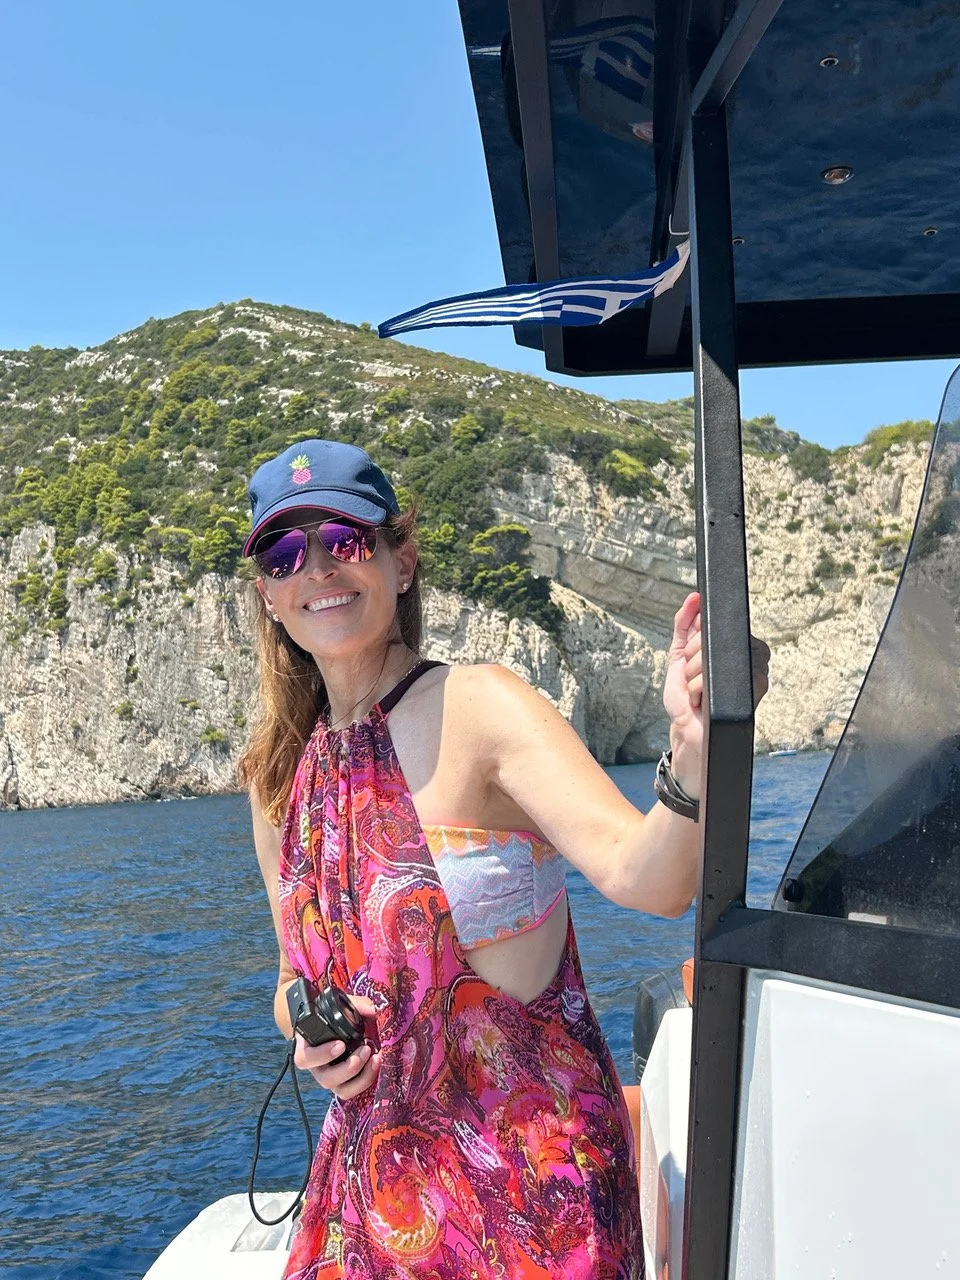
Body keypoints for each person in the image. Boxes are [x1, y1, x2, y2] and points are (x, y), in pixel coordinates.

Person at [238, 438, 769, 1280]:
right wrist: (310, 1042)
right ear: (267, 592)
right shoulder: (277, 778)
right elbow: (287, 982)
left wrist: (694, 751)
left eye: (345, 541)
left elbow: (652, 879)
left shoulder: (479, 706)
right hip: (373, 1195)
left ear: (399, 562)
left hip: (530, 1194)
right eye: (286, 553)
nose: (317, 571)